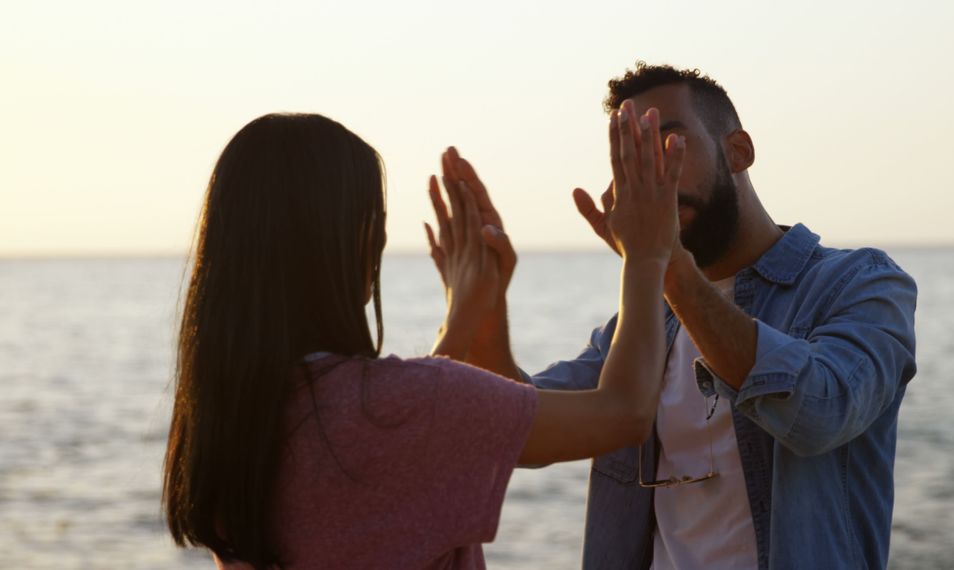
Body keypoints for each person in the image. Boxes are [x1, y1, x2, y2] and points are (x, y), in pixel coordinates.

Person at [427, 63, 918, 569]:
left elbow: (820, 412)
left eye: (667, 145)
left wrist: (664, 266)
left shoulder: (859, 283)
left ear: (739, 150)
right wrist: (479, 309)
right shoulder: (638, 329)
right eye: (631, 158)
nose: (652, 176)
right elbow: (522, 431)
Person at [161, 110, 688, 569]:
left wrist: (464, 320)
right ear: (348, 240)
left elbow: (388, 458)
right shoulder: (403, 408)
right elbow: (623, 413)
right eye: (374, 219)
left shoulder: (229, 418)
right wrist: (646, 254)